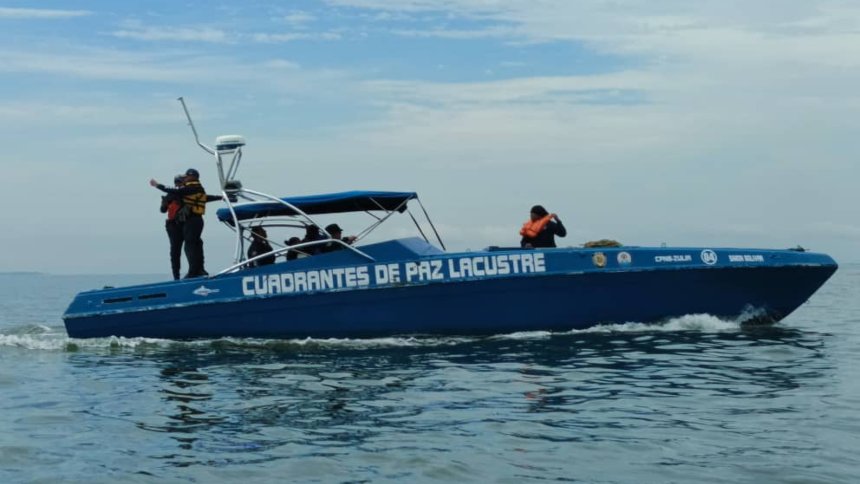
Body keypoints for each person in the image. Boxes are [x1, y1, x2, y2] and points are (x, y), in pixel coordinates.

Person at [150, 168, 222, 278]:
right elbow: (205, 198)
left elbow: (172, 190)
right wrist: (220, 197)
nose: (183, 181)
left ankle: (193, 272)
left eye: (185, 178)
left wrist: (157, 185)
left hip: (190, 221)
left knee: (190, 245)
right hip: (188, 222)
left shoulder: (189, 189)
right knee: (194, 245)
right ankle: (196, 271)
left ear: (192, 177)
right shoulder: (197, 189)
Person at [159, 174, 186, 280]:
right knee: (175, 251)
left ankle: (191, 272)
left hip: (184, 224)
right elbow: (162, 210)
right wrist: (165, 202)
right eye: (180, 182)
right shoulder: (171, 195)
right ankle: (176, 276)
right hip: (173, 226)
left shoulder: (186, 193)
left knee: (187, 248)